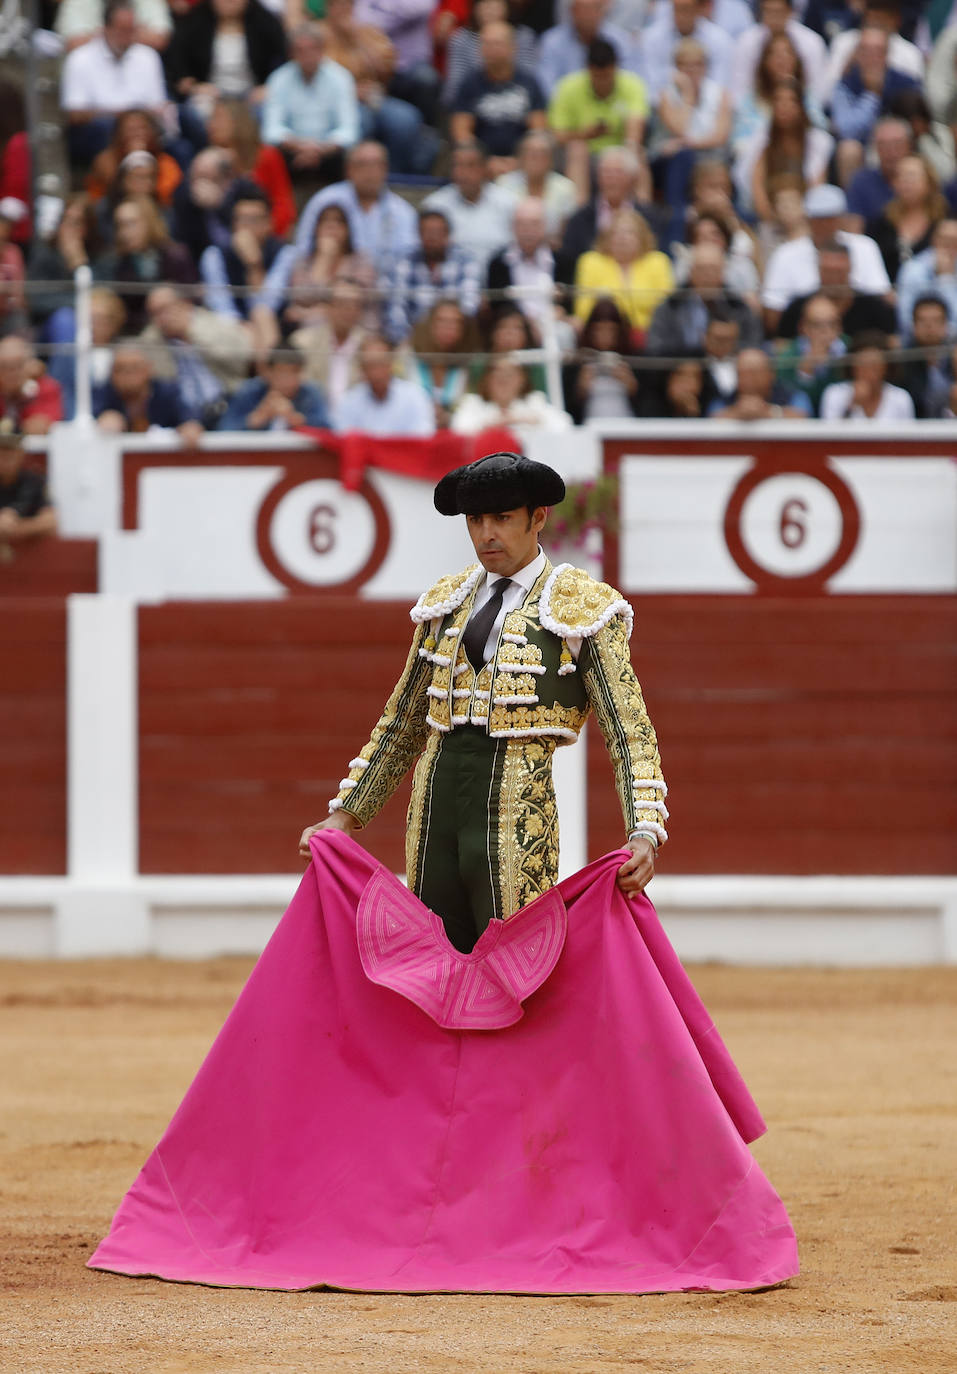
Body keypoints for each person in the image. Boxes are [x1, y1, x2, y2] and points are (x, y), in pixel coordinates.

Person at [322, 0, 439, 176]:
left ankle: (394, 176)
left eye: (347, 5)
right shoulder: (319, 35)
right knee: (362, 122)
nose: (343, 10)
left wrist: (358, 41)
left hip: (374, 98)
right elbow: (324, 75)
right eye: (337, 5)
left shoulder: (367, 32)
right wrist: (350, 91)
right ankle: (353, 177)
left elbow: (387, 67)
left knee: (406, 119)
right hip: (340, 103)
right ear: (328, 8)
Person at [761, 183, 890, 335]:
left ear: (841, 218)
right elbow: (773, 312)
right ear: (808, 219)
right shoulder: (785, 254)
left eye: (830, 218)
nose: (824, 224)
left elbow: (881, 296)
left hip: (860, 331)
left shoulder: (865, 246)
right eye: (818, 218)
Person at [60, 0, 169, 163]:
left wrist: (132, 123)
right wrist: (122, 118)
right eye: (122, 30)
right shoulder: (79, 58)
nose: (127, 37)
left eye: (131, 30)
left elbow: (157, 107)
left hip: (141, 126)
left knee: (178, 138)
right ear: (106, 28)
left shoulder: (148, 56)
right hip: (99, 131)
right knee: (108, 129)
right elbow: (75, 114)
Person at [295, 141, 420, 277]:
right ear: (349, 169)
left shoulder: (402, 212)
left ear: (385, 169)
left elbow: (410, 257)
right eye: (362, 164)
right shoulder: (324, 201)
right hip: (331, 284)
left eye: (375, 165)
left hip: (387, 285)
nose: (369, 172)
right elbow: (302, 250)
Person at [548, 38, 649, 203]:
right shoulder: (567, 86)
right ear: (588, 69)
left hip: (619, 153)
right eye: (597, 76)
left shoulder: (633, 84)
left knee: (637, 152)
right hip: (582, 156)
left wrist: (628, 151)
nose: (602, 82)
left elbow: (635, 126)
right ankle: (579, 209)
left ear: (616, 67)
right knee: (577, 149)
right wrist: (585, 134)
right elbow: (557, 135)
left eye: (607, 76)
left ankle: (643, 210)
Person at [199, 188, 298, 356]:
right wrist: (245, 329)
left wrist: (254, 265)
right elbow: (222, 308)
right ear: (234, 224)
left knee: (263, 316)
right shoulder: (214, 255)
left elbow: (269, 305)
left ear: (269, 223)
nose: (247, 226)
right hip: (232, 333)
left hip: (276, 330)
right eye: (242, 219)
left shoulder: (285, 253)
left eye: (254, 220)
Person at [260, 22, 360, 187]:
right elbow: (271, 131)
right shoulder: (279, 79)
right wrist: (299, 146)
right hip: (291, 150)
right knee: (268, 154)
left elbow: (349, 131)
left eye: (312, 49)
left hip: (330, 152)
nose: (307, 55)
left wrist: (320, 149)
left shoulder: (341, 78)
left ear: (322, 50)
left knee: (352, 154)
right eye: (300, 50)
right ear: (291, 53)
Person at [140, 285, 253, 426]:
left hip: (228, 402)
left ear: (184, 304)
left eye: (166, 309)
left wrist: (190, 332)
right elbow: (162, 379)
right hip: (182, 414)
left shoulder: (215, 323)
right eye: (154, 313)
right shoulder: (151, 340)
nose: (162, 317)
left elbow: (240, 360)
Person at [450, 20, 546, 178]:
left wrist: (519, 162)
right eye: (486, 44)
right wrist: (486, 161)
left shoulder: (529, 83)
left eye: (497, 44)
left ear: (513, 47)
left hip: (523, 166)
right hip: (480, 168)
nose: (491, 49)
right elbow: (461, 131)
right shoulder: (469, 83)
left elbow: (538, 129)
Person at [93, 195, 197, 334]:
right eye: (120, 225)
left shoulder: (175, 256)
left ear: (149, 222)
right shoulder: (117, 262)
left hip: (176, 329)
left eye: (131, 223)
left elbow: (193, 299)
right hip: (136, 336)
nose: (124, 233)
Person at [734, 80, 832, 223]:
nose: (784, 106)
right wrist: (771, 218)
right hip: (770, 219)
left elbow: (817, 187)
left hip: (806, 218)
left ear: (801, 106)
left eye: (791, 100)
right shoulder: (763, 142)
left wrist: (798, 219)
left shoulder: (816, 142)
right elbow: (757, 186)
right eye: (778, 100)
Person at [385, 207, 482, 345]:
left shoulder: (466, 261)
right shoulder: (403, 262)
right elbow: (396, 309)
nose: (432, 237)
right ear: (418, 234)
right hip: (412, 341)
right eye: (427, 232)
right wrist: (412, 342)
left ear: (448, 234)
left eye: (438, 232)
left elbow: (469, 309)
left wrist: (447, 335)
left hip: (456, 341)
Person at [646, 242, 762, 354]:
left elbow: (754, 343)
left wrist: (730, 346)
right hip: (682, 364)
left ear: (723, 272)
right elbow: (656, 347)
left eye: (713, 269)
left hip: (730, 363)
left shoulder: (738, 306)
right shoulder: (671, 306)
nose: (707, 275)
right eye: (702, 269)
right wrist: (693, 353)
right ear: (691, 272)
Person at [774, 239, 898, 343]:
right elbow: (781, 347)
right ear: (818, 270)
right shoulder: (798, 308)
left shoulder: (875, 308)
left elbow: (893, 344)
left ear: (850, 269)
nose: (834, 278)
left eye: (839, 271)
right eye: (828, 271)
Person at [573, 208, 674, 335]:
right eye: (616, 233)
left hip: (649, 334)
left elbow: (665, 309)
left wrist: (612, 299)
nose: (622, 238)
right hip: (605, 336)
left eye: (630, 232)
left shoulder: (657, 261)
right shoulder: (591, 261)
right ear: (606, 238)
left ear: (642, 237)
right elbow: (583, 311)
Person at [422, 141, 518, 274]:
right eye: (457, 165)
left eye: (470, 165)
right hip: (451, 282)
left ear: (485, 169)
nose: (463, 172)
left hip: (497, 282)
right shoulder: (435, 206)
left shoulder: (508, 204)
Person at [206, 98, 296, 239]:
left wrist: (266, 233)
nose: (212, 125)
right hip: (225, 237)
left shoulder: (267, 155)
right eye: (211, 119)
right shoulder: (207, 159)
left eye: (219, 118)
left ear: (238, 121)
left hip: (265, 235)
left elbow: (283, 205)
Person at [93, 340, 205, 441]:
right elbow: (92, 417)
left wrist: (189, 426)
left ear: (149, 369)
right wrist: (103, 420)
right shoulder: (102, 393)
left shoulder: (167, 392)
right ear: (110, 373)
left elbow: (190, 418)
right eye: (120, 369)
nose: (127, 375)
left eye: (135, 368)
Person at [486, 198, 563, 340]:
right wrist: (527, 323)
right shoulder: (498, 263)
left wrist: (558, 313)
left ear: (544, 226)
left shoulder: (563, 260)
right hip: (516, 326)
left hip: (553, 324)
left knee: (564, 332)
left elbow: (568, 302)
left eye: (534, 224)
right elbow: (497, 306)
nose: (528, 230)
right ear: (513, 227)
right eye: (522, 224)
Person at [865, 155, 947, 283]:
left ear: (929, 182)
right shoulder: (882, 221)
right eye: (900, 176)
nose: (906, 182)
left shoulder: (943, 220)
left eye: (912, 176)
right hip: (888, 289)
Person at [333, 334, 435, 435]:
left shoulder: (415, 396)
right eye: (371, 365)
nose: (376, 372)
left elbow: (423, 436)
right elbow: (343, 436)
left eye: (381, 363)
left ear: (391, 364)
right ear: (362, 369)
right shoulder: (349, 401)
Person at [561, 297, 642, 423]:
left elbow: (651, 405)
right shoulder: (577, 363)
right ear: (590, 331)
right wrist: (580, 389)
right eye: (599, 330)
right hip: (589, 425)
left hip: (628, 425)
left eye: (611, 330)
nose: (605, 336)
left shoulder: (635, 361)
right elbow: (566, 410)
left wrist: (633, 388)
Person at [538, 0, 639, 98]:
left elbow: (632, 80)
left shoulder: (620, 40)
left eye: (592, 9)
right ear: (572, 11)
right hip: (566, 105)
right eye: (582, 10)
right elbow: (546, 85)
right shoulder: (552, 41)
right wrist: (572, 103)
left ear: (602, 11)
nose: (587, 16)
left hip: (613, 104)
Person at [640, 0, 733, 105]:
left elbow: (720, 86)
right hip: (664, 105)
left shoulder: (719, 39)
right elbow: (651, 86)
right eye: (677, 9)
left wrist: (695, 96)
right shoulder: (652, 37)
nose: (682, 15)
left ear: (699, 9)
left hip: (708, 105)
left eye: (686, 10)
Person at [450, 355, 572, 433]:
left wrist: (523, 419)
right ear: (487, 380)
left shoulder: (534, 401)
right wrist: (494, 423)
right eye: (497, 376)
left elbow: (564, 425)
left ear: (522, 380)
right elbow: (458, 430)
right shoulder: (473, 403)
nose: (504, 380)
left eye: (509, 375)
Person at [495, 130, 579, 244]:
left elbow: (566, 232)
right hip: (511, 246)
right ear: (520, 158)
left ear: (551, 160)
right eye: (531, 154)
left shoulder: (565, 188)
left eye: (542, 154)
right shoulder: (504, 184)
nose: (536, 159)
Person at [219, 346, 330, 430]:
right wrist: (258, 417)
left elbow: (328, 428)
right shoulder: (249, 391)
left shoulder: (310, 393)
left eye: (294, 372)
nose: (288, 380)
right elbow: (224, 428)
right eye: (282, 373)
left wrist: (295, 418)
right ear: (268, 372)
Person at [408, 298, 480, 429]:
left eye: (456, 323)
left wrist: (450, 417)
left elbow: (473, 407)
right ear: (429, 324)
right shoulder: (407, 359)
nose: (448, 328)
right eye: (441, 321)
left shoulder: (470, 366)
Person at [774, 291, 847, 415]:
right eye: (817, 325)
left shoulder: (851, 350)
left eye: (832, 324)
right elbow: (787, 398)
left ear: (840, 326)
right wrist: (806, 372)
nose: (825, 331)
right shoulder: (789, 357)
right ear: (804, 327)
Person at [819, 331, 916, 419]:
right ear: (852, 367)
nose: (869, 372)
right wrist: (852, 405)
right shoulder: (835, 394)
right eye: (863, 365)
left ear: (886, 367)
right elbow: (831, 431)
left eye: (874, 366)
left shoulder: (901, 398)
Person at [896, 218, 957, 338]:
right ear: (934, 240)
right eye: (945, 239)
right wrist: (945, 280)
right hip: (919, 342)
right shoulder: (913, 269)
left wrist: (946, 279)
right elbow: (905, 321)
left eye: (955, 241)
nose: (950, 245)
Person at [710, 346, 809, 418]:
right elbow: (712, 419)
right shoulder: (724, 400)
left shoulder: (794, 396)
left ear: (771, 374)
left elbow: (803, 417)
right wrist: (737, 412)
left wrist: (769, 412)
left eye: (754, 373)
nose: (749, 380)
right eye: (742, 374)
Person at [896, 294, 953, 418]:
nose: (930, 327)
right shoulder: (903, 362)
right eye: (923, 321)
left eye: (936, 321)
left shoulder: (953, 358)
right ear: (914, 325)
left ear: (946, 325)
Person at [0, 336, 63, 435]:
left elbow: (43, 423)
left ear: (31, 365)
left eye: (18, 365)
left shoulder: (46, 388)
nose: (11, 373)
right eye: (4, 366)